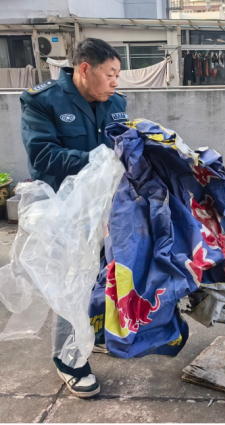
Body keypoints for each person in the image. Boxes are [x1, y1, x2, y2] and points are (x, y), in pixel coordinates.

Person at [20, 38, 128, 397]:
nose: (115, 82)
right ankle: (68, 359)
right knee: (72, 283)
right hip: (64, 211)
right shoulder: (43, 101)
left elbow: (124, 147)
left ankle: (95, 333)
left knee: (103, 277)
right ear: (85, 69)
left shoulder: (116, 103)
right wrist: (98, 160)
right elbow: (42, 156)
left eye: (117, 75)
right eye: (110, 74)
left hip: (106, 209)